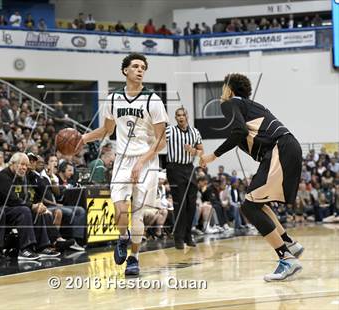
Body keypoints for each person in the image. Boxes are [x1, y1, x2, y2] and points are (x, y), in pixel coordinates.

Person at [200, 73, 304, 282]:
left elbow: (238, 131)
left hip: (280, 149)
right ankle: (289, 243)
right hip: (287, 147)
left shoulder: (230, 104)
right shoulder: (251, 106)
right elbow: (242, 132)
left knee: (248, 206)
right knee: (257, 202)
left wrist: (213, 155)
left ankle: (287, 258)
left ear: (229, 90)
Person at [79, 53, 169, 275]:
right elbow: (106, 131)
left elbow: (161, 141)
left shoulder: (153, 100)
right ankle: (122, 238)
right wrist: (83, 138)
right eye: (135, 66)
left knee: (137, 214)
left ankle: (134, 258)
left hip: (146, 160)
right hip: (122, 159)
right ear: (124, 71)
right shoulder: (113, 98)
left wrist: (141, 162)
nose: (140, 70)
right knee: (120, 208)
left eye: (143, 67)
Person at [0, 153, 59, 260]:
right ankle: (25, 249)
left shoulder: (21, 178)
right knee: (24, 210)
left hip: (12, 209)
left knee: (36, 211)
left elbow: (25, 199)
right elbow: (12, 199)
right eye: (21, 164)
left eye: (26, 165)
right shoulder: (3, 177)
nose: (24, 168)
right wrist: (32, 206)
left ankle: (41, 247)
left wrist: (37, 205)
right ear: (12, 164)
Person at [166, 107, 203, 249]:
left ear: (187, 116)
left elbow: (201, 151)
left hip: (189, 168)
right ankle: (179, 238)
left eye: (183, 115)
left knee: (191, 204)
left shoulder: (195, 132)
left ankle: (188, 235)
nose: (181, 117)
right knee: (180, 204)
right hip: (174, 168)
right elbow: (160, 142)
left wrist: (192, 151)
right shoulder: (170, 131)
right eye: (178, 115)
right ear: (175, 118)